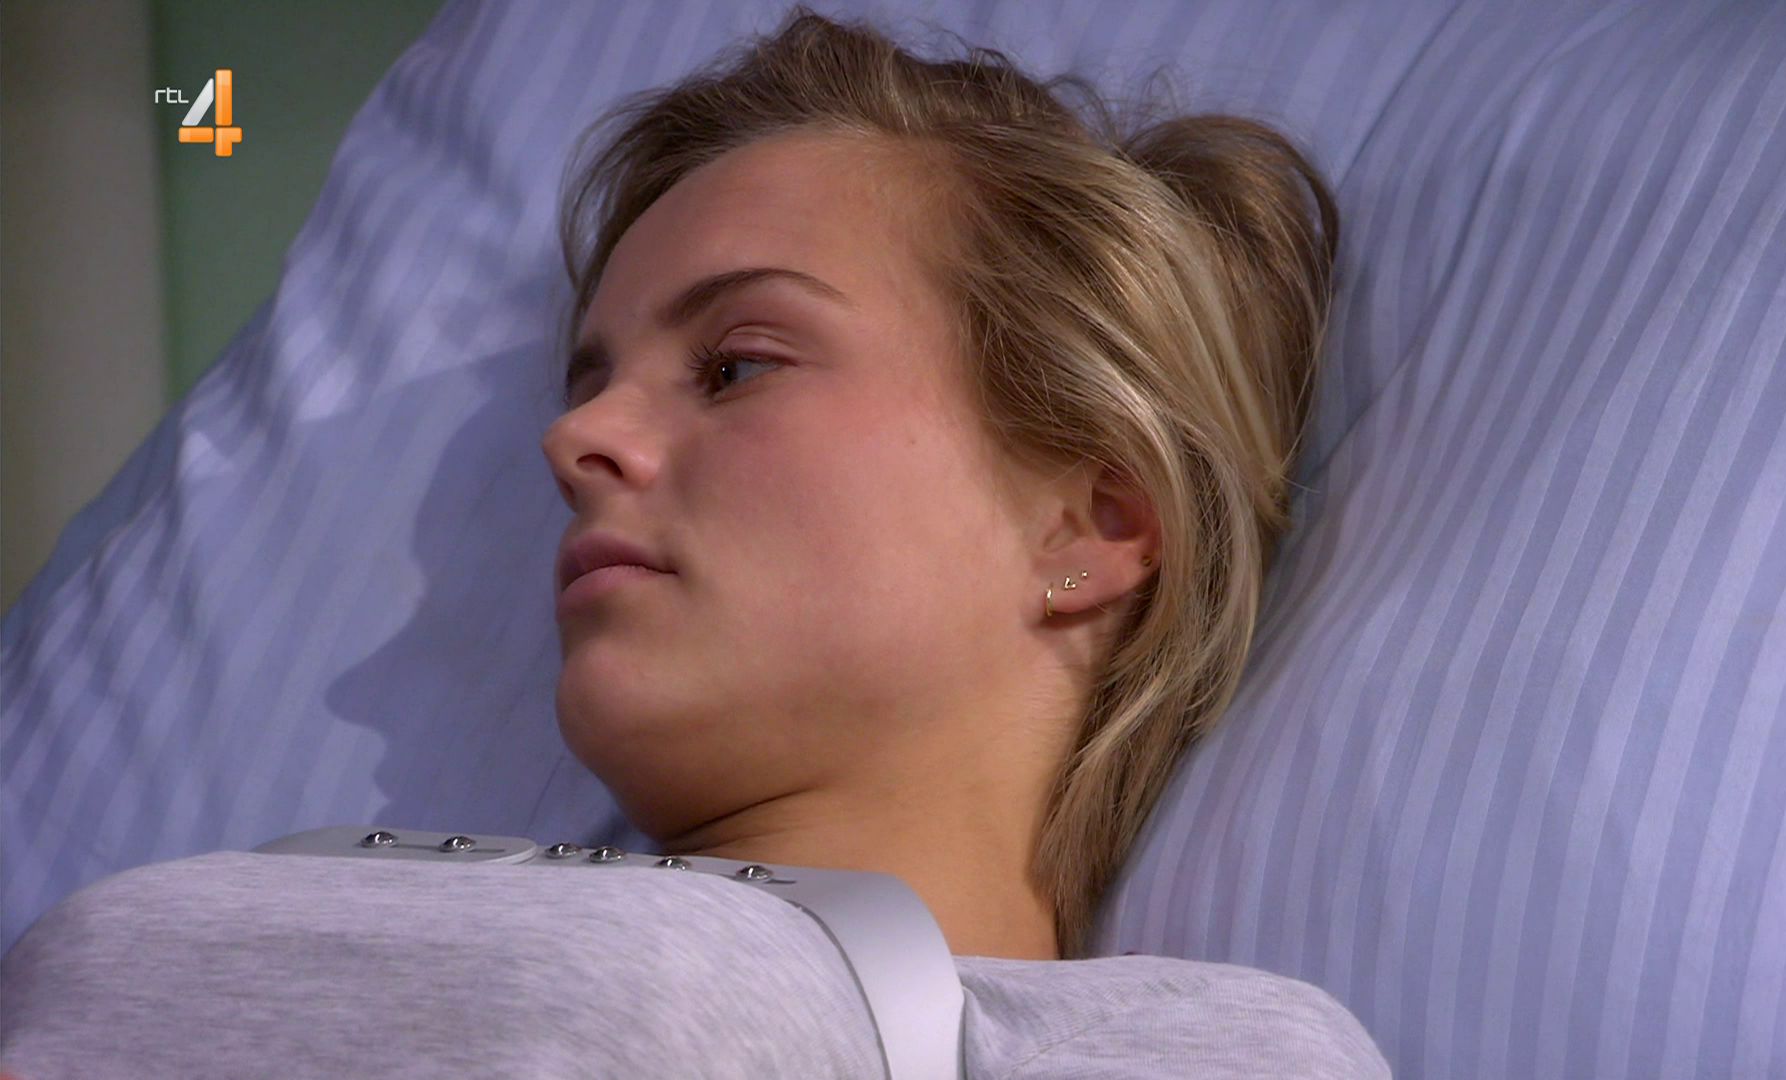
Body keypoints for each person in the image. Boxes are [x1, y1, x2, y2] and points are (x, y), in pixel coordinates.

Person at [2, 5, 1387, 1077]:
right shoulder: (320, 882)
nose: (575, 440)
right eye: (588, 382)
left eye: (737, 365)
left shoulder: (1184, 1047)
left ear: (1091, 521)